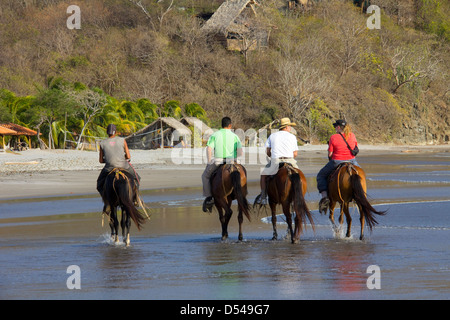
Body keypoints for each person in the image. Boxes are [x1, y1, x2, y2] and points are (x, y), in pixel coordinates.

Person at [316, 119, 359, 213]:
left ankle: (325, 197)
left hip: (337, 161)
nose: (335, 128)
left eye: (335, 126)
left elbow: (330, 154)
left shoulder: (333, 137)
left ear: (339, 127)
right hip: (352, 160)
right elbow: (355, 149)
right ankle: (359, 194)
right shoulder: (352, 135)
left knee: (321, 175)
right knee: (359, 175)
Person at [254, 117, 299, 205]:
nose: (290, 128)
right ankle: (299, 195)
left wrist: (271, 156)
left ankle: (263, 197)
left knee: (263, 175)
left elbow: (267, 151)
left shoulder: (273, 135)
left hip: (276, 161)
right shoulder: (292, 137)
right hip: (290, 160)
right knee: (299, 176)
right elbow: (295, 154)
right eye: (289, 126)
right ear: (286, 127)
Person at [202, 117, 242, 212]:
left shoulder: (215, 135)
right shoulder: (235, 136)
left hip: (218, 161)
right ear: (230, 125)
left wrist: (209, 161)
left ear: (222, 125)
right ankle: (242, 193)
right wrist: (236, 159)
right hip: (232, 161)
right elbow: (240, 152)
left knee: (205, 176)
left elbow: (209, 149)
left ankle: (209, 198)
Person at [97, 124, 141, 207]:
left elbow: (101, 160)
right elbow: (128, 156)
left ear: (107, 132)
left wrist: (108, 159)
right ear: (116, 132)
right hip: (124, 166)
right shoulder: (122, 140)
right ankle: (136, 199)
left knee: (99, 184)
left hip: (109, 168)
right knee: (137, 178)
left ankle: (107, 203)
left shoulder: (102, 143)